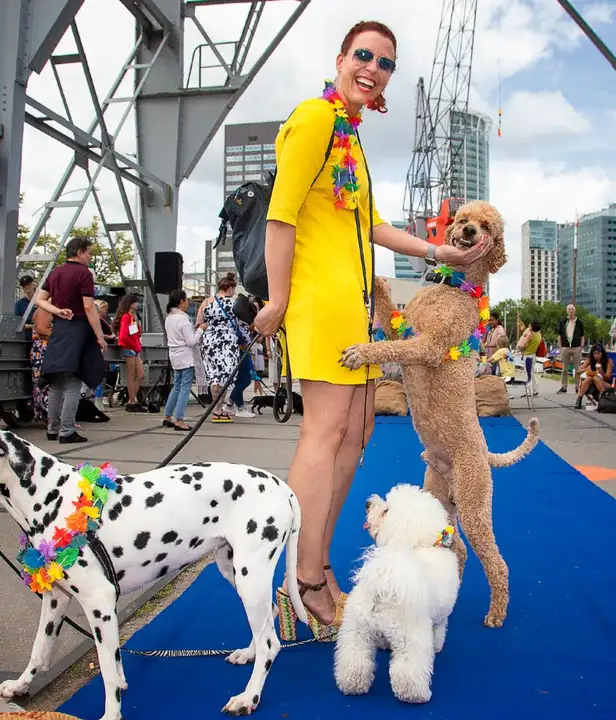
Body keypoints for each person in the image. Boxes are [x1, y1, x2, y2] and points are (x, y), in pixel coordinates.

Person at [253, 20, 493, 637]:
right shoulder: (313, 118)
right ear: (340, 59)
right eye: (363, 54)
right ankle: (304, 581)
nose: (373, 67)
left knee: (356, 434)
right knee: (325, 429)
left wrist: (438, 254)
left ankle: (322, 562)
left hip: (353, 304)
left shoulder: (350, 140)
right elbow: (280, 218)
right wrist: (278, 299)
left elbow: (373, 226)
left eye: (384, 62)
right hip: (317, 302)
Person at [35, 236, 107, 444]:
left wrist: (57, 310)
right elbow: (88, 307)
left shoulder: (56, 272)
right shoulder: (84, 274)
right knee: (74, 381)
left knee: (56, 382)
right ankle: (67, 431)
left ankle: (52, 428)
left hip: (60, 329)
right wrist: (99, 336)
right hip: (78, 329)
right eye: (90, 253)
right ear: (80, 252)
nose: (90, 257)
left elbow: (40, 300)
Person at [197, 272, 251, 423]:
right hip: (227, 341)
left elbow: (199, 322)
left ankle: (216, 409)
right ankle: (220, 409)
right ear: (230, 288)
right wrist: (246, 342)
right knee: (226, 376)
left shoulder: (206, 302)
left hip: (209, 341)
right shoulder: (234, 303)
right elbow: (243, 325)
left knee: (214, 376)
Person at [162, 290, 206, 431]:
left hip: (174, 355)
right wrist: (201, 330)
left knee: (176, 386)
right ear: (181, 302)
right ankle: (179, 420)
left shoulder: (169, 317)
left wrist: (192, 329)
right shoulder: (183, 318)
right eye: (186, 300)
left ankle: (167, 416)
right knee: (184, 388)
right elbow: (191, 341)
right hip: (186, 357)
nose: (188, 303)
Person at [114, 294, 145, 412]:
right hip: (130, 347)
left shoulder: (133, 317)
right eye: (135, 302)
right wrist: (134, 345)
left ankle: (132, 399)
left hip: (134, 347)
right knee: (132, 374)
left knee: (140, 375)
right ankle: (132, 400)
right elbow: (123, 336)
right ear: (131, 304)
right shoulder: (126, 317)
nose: (137, 304)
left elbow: (136, 334)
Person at [30, 305, 54, 423]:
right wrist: (58, 334)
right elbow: (41, 329)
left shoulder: (46, 309)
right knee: (44, 382)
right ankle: (47, 414)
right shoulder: (45, 309)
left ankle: (46, 414)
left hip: (43, 347)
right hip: (43, 348)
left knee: (43, 382)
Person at [574, 343, 614, 409]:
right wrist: (587, 369)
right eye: (594, 353)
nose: (596, 355)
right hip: (591, 382)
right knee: (590, 376)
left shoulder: (608, 362)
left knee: (592, 376)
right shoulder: (590, 360)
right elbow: (578, 371)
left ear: (602, 353)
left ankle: (579, 399)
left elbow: (607, 377)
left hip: (605, 383)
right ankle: (580, 398)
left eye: (598, 353)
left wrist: (601, 372)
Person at [557, 304, 585, 393]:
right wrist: (561, 348)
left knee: (577, 369)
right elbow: (560, 336)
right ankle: (564, 387)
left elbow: (582, 336)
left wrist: (581, 347)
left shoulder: (579, 322)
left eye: (572, 309)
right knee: (564, 369)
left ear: (575, 311)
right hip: (565, 347)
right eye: (569, 309)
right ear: (566, 311)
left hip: (576, 348)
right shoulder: (563, 322)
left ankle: (578, 387)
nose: (571, 311)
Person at [516, 319, 542, 397]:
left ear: (532, 327)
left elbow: (523, 345)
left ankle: (528, 391)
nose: (528, 326)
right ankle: (535, 390)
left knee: (528, 374)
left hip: (528, 356)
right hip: (533, 355)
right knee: (531, 373)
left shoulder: (530, 335)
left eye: (530, 325)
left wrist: (519, 349)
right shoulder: (538, 334)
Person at [15, 275, 37, 340]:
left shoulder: (42, 301)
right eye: (24, 286)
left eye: (28, 284)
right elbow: (17, 324)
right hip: (26, 338)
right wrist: (32, 326)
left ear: (33, 284)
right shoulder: (19, 304)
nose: (26, 287)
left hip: (42, 338)